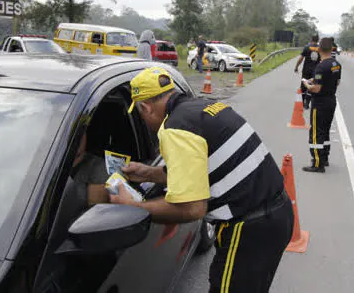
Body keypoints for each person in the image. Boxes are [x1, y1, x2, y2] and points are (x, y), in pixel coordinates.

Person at [111, 67, 294, 292]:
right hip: (275, 214)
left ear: (146, 108)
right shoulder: (202, 108)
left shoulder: (175, 130)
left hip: (249, 228)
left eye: (140, 114)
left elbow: (192, 209)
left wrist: (135, 208)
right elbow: (198, 170)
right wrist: (149, 172)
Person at [301, 37, 342, 173]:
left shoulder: (320, 66)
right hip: (331, 101)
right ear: (331, 49)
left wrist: (307, 84)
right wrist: (316, 80)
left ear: (319, 50)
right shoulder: (336, 64)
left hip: (320, 103)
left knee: (315, 133)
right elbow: (337, 82)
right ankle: (324, 158)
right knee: (325, 131)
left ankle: (317, 164)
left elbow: (316, 89)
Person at [71, 132, 110, 205]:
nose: (74, 140)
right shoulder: (46, 162)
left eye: (79, 134)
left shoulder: (99, 170)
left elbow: (94, 214)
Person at [294, 35, 320, 109]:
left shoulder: (306, 47)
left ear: (311, 39)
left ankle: (302, 102)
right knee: (312, 86)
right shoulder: (320, 48)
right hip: (316, 72)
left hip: (306, 70)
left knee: (303, 86)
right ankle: (307, 103)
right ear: (318, 40)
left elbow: (301, 59)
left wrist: (296, 67)